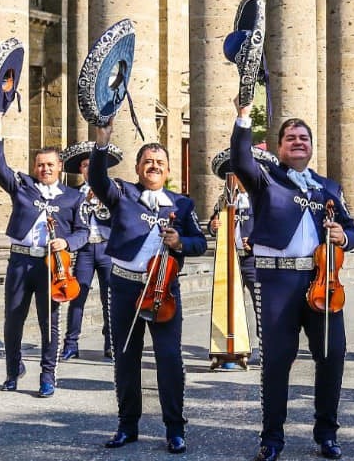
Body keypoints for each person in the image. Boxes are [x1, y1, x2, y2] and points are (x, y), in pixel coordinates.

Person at [230, 105, 354, 461]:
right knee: (276, 360)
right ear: (279, 146)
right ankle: (272, 439)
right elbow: (240, 160)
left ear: (311, 146)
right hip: (276, 279)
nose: (298, 142)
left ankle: (327, 434)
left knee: (332, 356)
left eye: (304, 138)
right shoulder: (265, 178)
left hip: (322, 280)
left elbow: (352, 230)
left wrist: (342, 236)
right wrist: (243, 118)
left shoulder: (327, 187)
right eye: (291, 138)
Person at [89, 120, 206, 455]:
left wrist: (180, 241)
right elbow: (97, 180)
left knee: (169, 359)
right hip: (125, 286)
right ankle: (127, 426)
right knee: (126, 358)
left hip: (163, 288)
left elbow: (199, 242)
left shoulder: (181, 205)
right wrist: (102, 142)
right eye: (148, 162)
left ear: (168, 170)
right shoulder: (123, 193)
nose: (154, 166)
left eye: (160, 163)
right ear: (139, 168)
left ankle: (175, 429)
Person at [0, 116, 88, 398]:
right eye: (41, 165)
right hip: (20, 261)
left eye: (50, 165)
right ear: (35, 167)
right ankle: (12, 370)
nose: (45, 169)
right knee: (13, 319)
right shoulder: (22, 186)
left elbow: (83, 232)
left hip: (51, 266)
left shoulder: (72, 197)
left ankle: (47, 375)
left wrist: (66, 242)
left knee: (49, 322)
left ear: (59, 169)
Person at [208, 146, 278, 369]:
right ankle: (231, 350)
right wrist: (213, 225)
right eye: (235, 174)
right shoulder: (226, 198)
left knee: (261, 304)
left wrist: (258, 241)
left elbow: (275, 226)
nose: (239, 178)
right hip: (230, 258)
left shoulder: (265, 198)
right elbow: (213, 222)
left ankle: (269, 348)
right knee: (228, 302)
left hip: (253, 259)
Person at [60, 142, 120, 362]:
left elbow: (121, 219)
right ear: (81, 170)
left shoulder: (113, 192)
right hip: (84, 249)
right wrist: (84, 203)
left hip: (106, 248)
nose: (89, 169)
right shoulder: (74, 194)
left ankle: (110, 343)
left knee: (109, 298)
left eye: (93, 165)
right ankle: (71, 344)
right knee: (77, 297)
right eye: (85, 165)